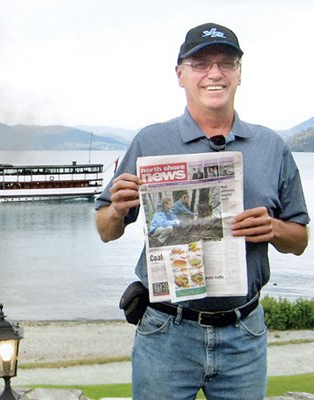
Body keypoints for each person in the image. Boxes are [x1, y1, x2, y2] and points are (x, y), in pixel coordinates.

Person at [95, 22, 309, 400]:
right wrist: (116, 209)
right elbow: (106, 230)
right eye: (200, 63)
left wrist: (273, 228)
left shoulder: (272, 146)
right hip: (166, 332)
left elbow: (300, 241)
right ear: (180, 74)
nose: (214, 73)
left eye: (226, 62)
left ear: (239, 73)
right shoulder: (149, 140)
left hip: (244, 333)